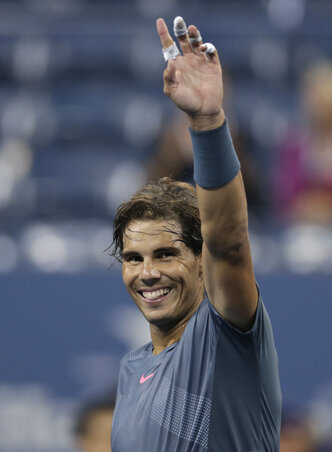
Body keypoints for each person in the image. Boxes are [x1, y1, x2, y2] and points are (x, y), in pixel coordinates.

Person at [110, 16, 282, 451]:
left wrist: (206, 123)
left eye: (166, 254)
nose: (147, 273)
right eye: (133, 258)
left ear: (202, 264)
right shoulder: (132, 369)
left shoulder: (224, 334)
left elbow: (227, 240)